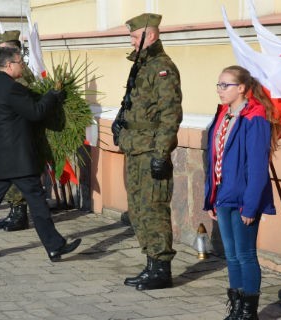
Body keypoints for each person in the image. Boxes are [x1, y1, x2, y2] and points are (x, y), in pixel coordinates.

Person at [0, 47, 81, 262]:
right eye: (20, 62)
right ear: (9, 65)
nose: (23, 66)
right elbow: (35, 113)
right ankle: (54, 246)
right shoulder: (10, 88)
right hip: (18, 157)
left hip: (1, 157)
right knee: (37, 202)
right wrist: (52, 96)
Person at [204, 65, 280, 320]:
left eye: (225, 85)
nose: (220, 90)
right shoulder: (224, 114)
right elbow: (215, 157)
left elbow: (258, 166)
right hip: (223, 195)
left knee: (246, 255)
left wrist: (250, 206)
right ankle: (236, 309)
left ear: (242, 88)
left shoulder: (255, 117)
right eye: (218, 84)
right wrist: (212, 197)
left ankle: (249, 313)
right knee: (232, 255)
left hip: (243, 199)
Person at [118, 13, 183, 291]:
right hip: (134, 147)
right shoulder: (141, 66)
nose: (132, 42)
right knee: (137, 209)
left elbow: (171, 114)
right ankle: (151, 263)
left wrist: (161, 153)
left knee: (154, 209)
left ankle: (161, 268)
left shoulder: (162, 68)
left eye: (135, 36)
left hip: (151, 149)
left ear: (150, 36)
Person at [0, 30, 34, 232]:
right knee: (6, 181)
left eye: (1, 49)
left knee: (20, 182)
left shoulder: (20, 72)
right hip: (1, 134)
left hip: (15, 136)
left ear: (13, 48)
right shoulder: (2, 69)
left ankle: (20, 214)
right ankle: (14, 211)